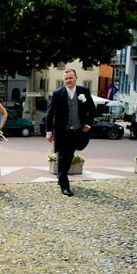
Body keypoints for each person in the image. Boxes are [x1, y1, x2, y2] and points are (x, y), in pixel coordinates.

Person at [45, 68, 96, 197]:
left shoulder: (83, 92)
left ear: (76, 78)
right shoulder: (58, 93)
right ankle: (64, 184)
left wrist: (88, 124)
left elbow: (92, 109)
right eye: (66, 78)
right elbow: (50, 113)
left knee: (69, 156)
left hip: (78, 131)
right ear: (64, 80)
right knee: (63, 157)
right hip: (63, 132)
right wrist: (49, 131)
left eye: (71, 78)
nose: (68, 80)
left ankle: (61, 177)